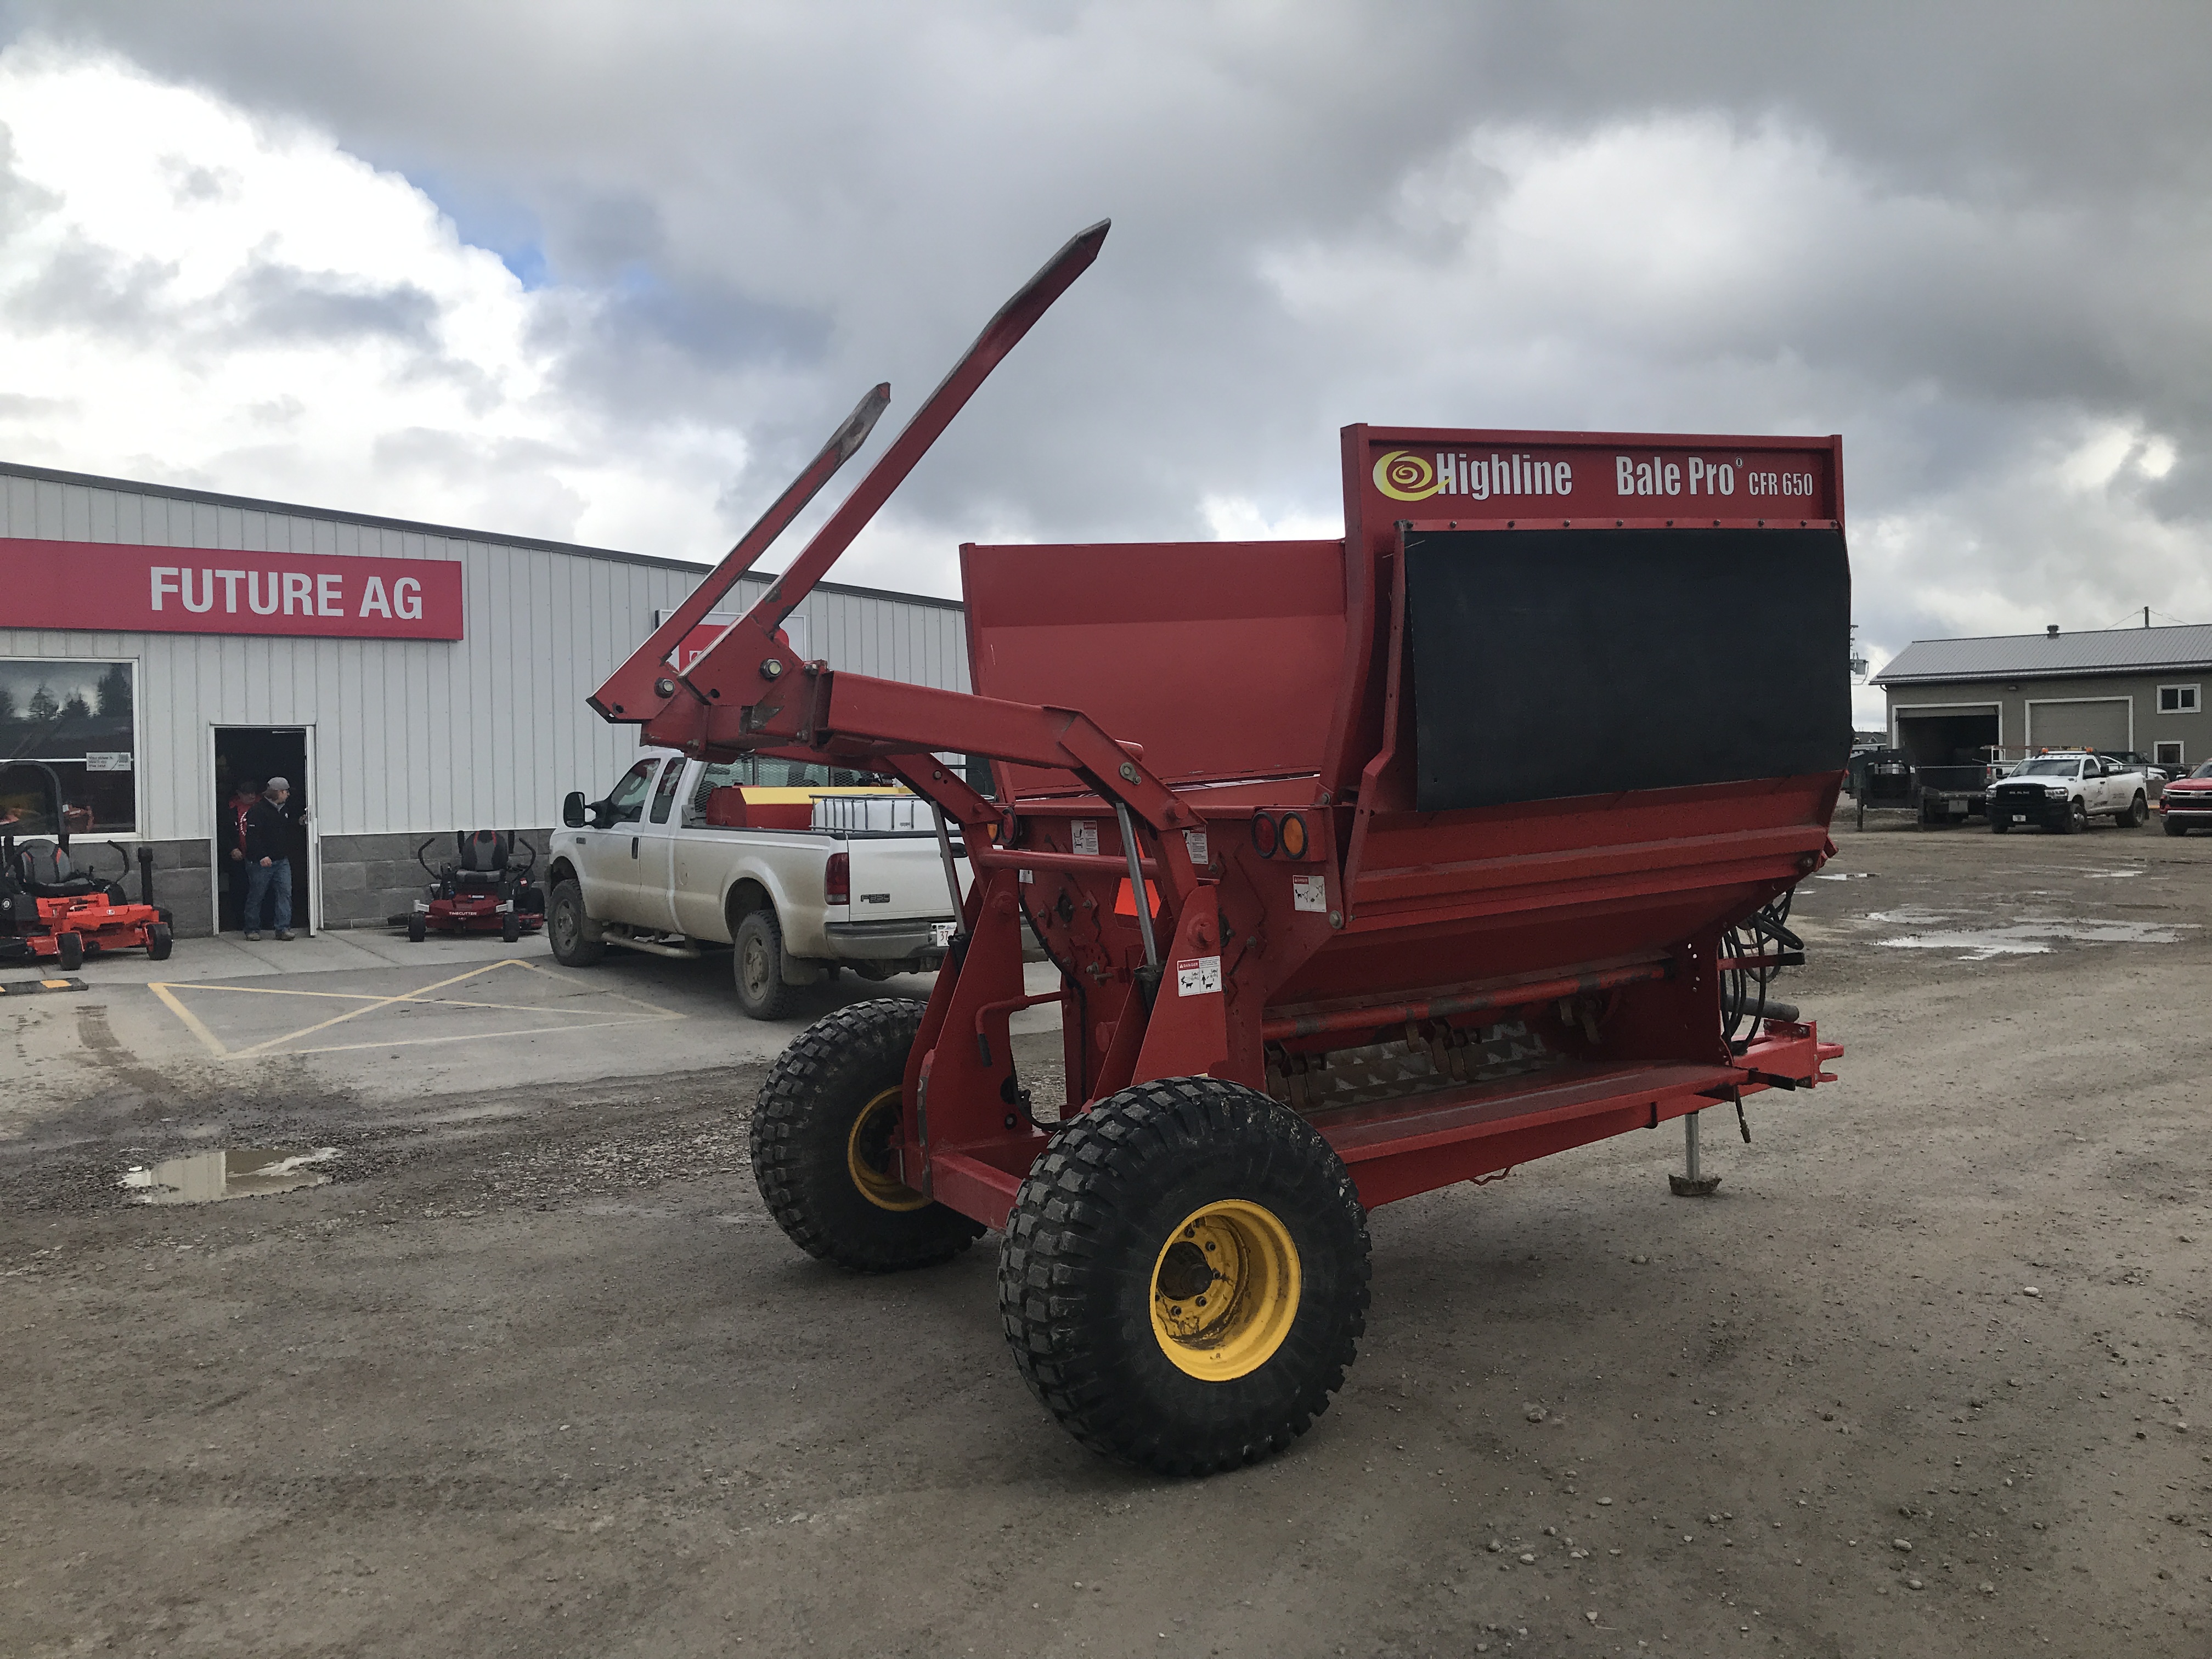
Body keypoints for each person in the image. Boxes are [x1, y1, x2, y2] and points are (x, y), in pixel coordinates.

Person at [241, 776, 309, 941]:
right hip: (261, 862)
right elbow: (253, 837)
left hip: (281, 861)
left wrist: (299, 822)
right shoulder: (257, 811)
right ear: (277, 792)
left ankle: (283, 928)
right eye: (285, 792)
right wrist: (262, 856)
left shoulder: (284, 810)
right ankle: (252, 929)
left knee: (285, 893)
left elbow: (285, 827)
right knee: (257, 895)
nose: (288, 795)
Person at [224, 778, 260, 931]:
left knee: (259, 891)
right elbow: (223, 831)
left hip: (259, 857)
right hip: (239, 857)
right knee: (239, 891)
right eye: (247, 793)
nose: (251, 796)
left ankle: (263, 923)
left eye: (253, 793)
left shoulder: (263, 807)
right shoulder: (230, 808)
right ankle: (239, 922)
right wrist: (232, 849)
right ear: (239, 794)